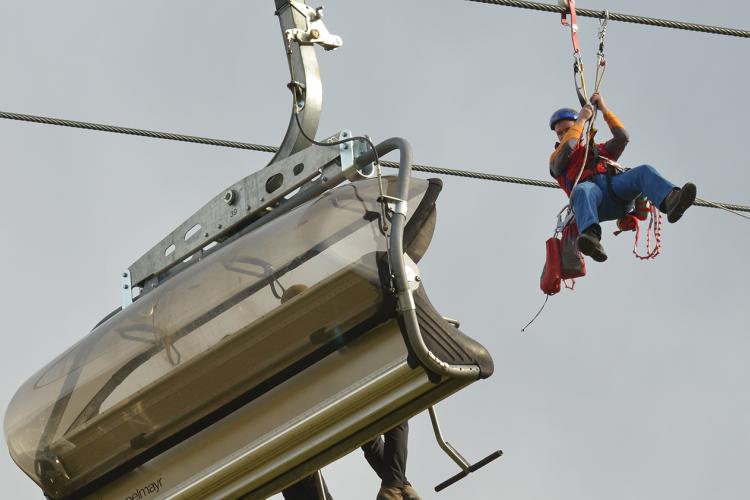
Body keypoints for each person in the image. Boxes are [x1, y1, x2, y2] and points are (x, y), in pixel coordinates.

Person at [279, 284, 421, 500]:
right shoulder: (327, 324)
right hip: (342, 395)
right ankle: (395, 485)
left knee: (370, 435)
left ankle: (399, 485)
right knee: (394, 417)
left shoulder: (293, 340)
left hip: (331, 402)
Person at [549, 93, 697, 261]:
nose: (563, 135)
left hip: (615, 192)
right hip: (593, 202)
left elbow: (623, 137)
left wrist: (604, 109)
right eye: (559, 133)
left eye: (567, 130)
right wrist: (581, 120)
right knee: (583, 189)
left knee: (643, 171)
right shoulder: (556, 160)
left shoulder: (598, 151)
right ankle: (591, 237)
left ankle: (671, 201)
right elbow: (569, 145)